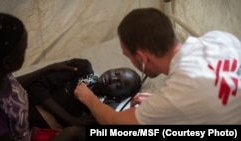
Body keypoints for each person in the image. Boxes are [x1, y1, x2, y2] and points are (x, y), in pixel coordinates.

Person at [74, 7, 241, 124]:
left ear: (142, 57)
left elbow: (114, 122)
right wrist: (162, 103)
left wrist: (88, 98)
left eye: (129, 57)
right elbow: (210, 92)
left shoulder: (177, 94)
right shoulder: (221, 38)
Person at [0, 13, 84, 141]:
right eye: (23, 50)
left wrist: (49, 68)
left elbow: (14, 84)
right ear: (7, 62)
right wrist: (70, 132)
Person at [27, 58, 142, 129]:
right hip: (22, 104)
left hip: (31, 130)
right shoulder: (83, 69)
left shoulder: (102, 108)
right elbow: (36, 88)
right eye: (116, 72)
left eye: (118, 85)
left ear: (119, 96)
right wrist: (70, 119)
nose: (113, 78)